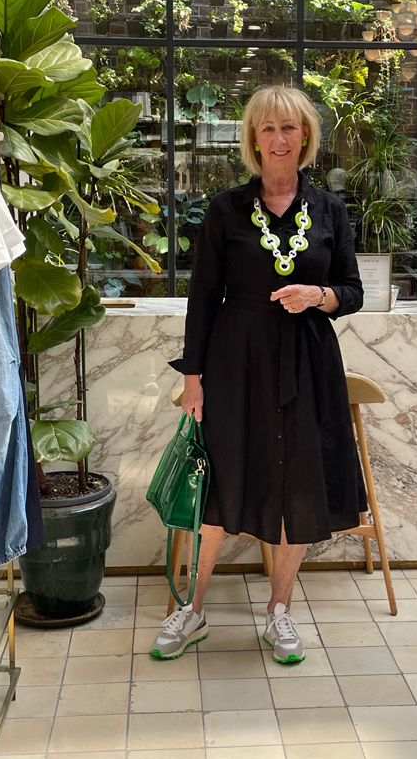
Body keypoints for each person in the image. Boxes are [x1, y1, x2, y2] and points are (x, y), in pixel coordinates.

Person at [152, 85, 366, 663]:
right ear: (253, 139)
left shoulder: (330, 211)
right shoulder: (224, 209)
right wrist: (193, 376)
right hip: (235, 362)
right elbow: (202, 297)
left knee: (298, 481)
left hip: (308, 363)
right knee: (220, 482)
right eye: (268, 128)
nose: (279, 139)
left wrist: (318, 294)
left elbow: (353, 291)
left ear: (306, 138)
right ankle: (192, 610)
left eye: (290, 128)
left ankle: (279, 613)